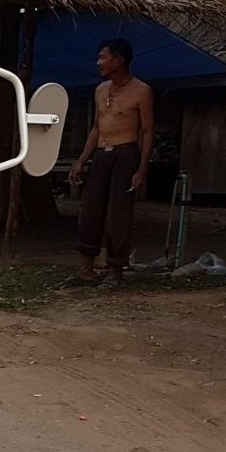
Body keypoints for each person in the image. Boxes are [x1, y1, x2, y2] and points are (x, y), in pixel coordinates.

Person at [65, 38, 154, 288]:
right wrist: (81, 161)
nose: (99, 63)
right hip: (101, 154)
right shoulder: (101, 89)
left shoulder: (141, 91)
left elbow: (147, 131)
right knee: (90, 210)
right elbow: (96, 127)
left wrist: (142, 167)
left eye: (103, 57)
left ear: (119, 59)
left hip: (126, 154)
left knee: (119, 214)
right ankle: (86, 269)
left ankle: (115, 270)